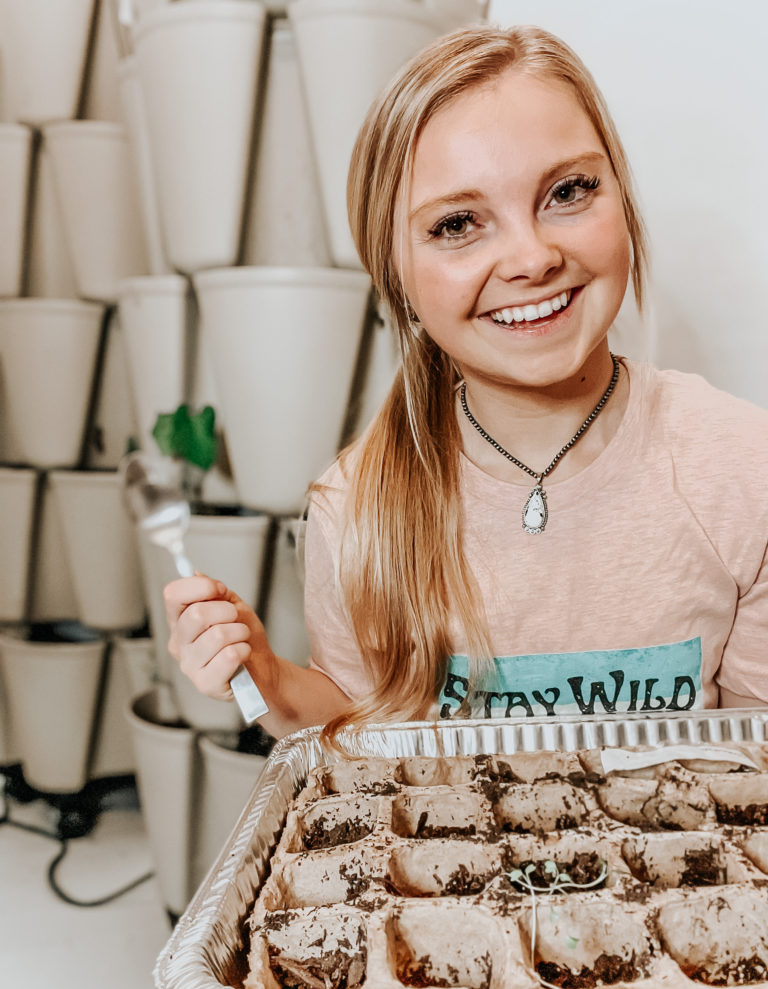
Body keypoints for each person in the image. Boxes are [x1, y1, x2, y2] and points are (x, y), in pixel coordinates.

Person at [163, 23, 768, 743]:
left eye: (568, 190)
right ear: (398, 279)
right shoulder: (352, 511)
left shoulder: (743, 467)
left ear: (623, 201)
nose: (532, 257)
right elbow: (359, 732)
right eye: (457, 224)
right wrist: (267, 681)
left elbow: (748, 762)